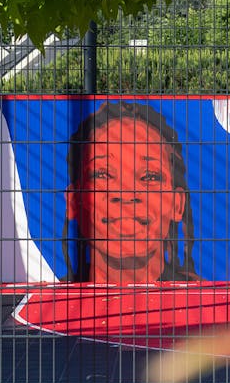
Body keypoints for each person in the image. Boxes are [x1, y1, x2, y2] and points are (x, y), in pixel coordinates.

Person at [63, 102, 198, 283]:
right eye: (102, 174)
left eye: (149, 176)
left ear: (177, 204)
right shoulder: (49, 302)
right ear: (73, 201)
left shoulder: (203, 302)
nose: (126, 194)